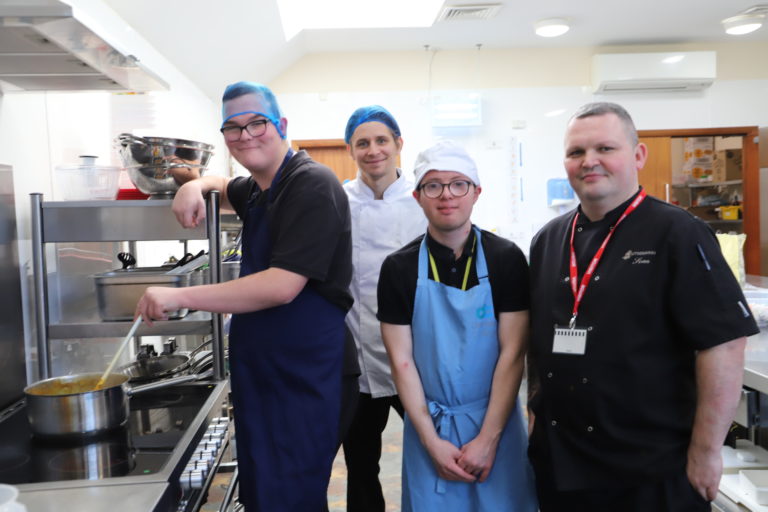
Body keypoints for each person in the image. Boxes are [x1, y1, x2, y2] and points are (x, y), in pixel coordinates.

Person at [527, 101, 759, 512]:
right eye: (576, 152)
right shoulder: (548, 240)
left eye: (605, 148)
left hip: (652, 470)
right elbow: (538, 342)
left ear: (638, 155)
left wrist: (706, 452)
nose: (589, 162)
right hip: (563, 465)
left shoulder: (679, 234)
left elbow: (723, 346)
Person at [135, 81, 353, 512]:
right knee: (265, 497)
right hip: (266, 377)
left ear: (282, 125)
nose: (246, 135)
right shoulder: (256, 188)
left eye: (258, 122)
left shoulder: (311, 183)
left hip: (304, 379)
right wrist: (193, 187)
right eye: (232, 128)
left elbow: (281, 286)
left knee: (293, 500)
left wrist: (180, 296)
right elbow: (222, 182)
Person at [377, 140, 538, 511]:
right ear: (417, 196)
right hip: (429, 427)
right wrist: (432, 442)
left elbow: (513, 354)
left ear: (476, 192)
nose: (446, 195)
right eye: (433, 185)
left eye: (458, 184)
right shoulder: (399, 269)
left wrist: (488, 438)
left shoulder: (506, 259)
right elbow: (401, 363)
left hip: (495, 422)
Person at [341, 105, 426, 511]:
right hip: (358, 360)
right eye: (362, 143)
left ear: (398, 145)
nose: (373, 150)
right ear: (350, 150)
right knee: (360, 467)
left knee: (430, 455)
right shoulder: (338, 201)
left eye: (381, 141)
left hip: (417, 358)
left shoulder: (422, 201)